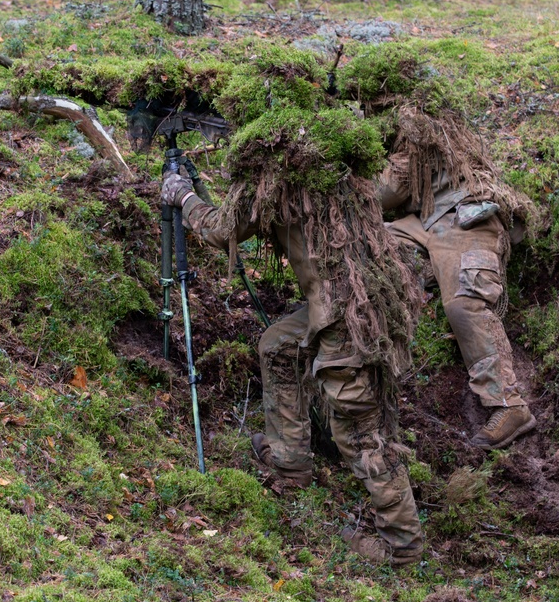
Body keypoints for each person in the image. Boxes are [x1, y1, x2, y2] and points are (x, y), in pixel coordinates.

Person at [160, 111, 425, 565]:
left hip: (349, 314)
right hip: (361, 296)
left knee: (360, 432)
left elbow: (223, 230)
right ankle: (288, 458)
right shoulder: (337, 167)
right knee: (278, 345)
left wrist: (181, 195)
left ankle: (402, 546)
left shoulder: (277, 179)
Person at [376, 104, 538, 450]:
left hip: (466, 221)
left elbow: (386, 192)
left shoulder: (413, 128)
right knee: (373, 244)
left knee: (464, 305)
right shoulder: (407, 126)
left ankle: (508, 405)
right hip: (429, 221)